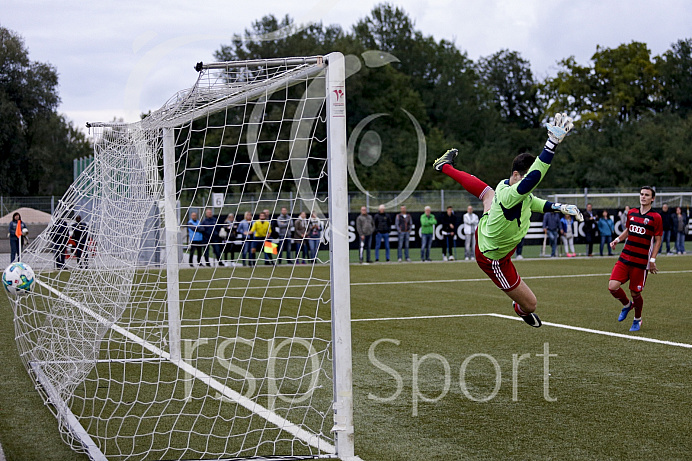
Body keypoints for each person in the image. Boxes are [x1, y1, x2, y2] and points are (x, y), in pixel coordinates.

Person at [433, 113, 581, 327]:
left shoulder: (507, 186)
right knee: (531, 304)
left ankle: (444, 166)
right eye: (526, 178)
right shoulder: (512, 193)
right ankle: (519, 309)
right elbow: (533, 179)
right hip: (492, 258)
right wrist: (551, 144)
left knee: (487, 194)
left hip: (486, 229)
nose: (530, 184)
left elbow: (533, 201)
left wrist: (559, 207)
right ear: (516, 174)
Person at [608, 187, 662, 332]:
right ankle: (627, 305)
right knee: (612, 286)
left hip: (641, 261)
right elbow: (628, 229)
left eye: (647, 195)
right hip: (625, 257)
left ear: (652, 199)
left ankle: (637, 319)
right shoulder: (631, 213)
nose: (643, 197)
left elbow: (658, 240)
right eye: (642, 194)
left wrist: (652, 260)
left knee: (635, 293)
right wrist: (617, 240)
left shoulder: (655, 217)